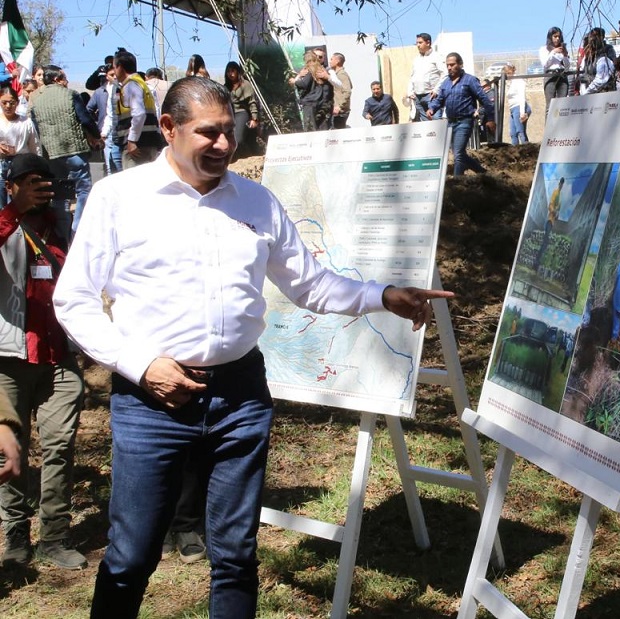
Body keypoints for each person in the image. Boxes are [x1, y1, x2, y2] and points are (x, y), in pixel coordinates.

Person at [52, 76, 453, 617]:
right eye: (208, 132)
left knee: (236, 555)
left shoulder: (257, 201)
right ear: (168, 128)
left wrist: (383, 296)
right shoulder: (119, 198)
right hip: (150, 403)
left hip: (240, 398)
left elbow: (310, 285)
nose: (224, 144)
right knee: (131, 556)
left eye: (229, 131)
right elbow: (74, 301)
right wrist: (141, 366)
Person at [0, 152, 86, 570]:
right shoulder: (5, 225)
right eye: (29, 181)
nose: (40, 188)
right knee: (10, 449)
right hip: (9, 358)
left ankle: (54, 535)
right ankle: (15, 534)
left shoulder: (61, 227)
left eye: (45, 181)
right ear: (10, 186)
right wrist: (13, 212)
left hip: (59, 356)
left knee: (59, 447)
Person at [31, 65, 101, 235]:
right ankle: (78, 227)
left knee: (59, 193)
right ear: (56, 79)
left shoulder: (36, 101)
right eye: (64, 78)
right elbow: (85, 119)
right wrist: (96, 136)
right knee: (83, 189)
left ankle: (62, 231)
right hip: (74, 150)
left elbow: (36, 128)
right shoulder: (70, 95)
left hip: (52, 153)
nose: (67, 81)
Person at [427, 53, 494, 176]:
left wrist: (490, 118)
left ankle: (457, 180)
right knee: (459, 153)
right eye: (447, 65)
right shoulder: (446, 83)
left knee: (458, 153)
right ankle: (482, 173)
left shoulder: (470, 80)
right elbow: (439, 99)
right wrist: (432, 108)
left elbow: (484, 99)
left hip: (465, 121)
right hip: (450, 123)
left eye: (452, 65)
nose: (449, 68)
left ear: (460, 64)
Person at [113, 50, 164, 166]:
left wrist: (132, 140)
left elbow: (139, 114)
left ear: (120, 67)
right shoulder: (141, 84)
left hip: (137, 146)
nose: (114, 73)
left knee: (134, 177)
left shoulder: (130, 85)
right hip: (148, 142)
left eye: (114, 68)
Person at [0, 85, 42, 199]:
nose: (8, 106)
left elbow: (35, 146)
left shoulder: (26, 122)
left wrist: (37, 167)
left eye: (12, 103)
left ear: (17, 103)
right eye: (4, 102)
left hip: (20, 167)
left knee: (17, 200)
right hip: (1, 165)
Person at [406, 33, 446, 122]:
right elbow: (412, 76)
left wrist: (436, 89)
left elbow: (445, 74)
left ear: (428, 43)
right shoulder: (416, 59)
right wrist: (410, 91)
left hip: (431, 96)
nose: (418, 45)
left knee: (436, 121)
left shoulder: (436, 57)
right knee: (425, 124)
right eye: (417, 43)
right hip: (418, 97)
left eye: (420, 43)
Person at [224, 61, 259, 159]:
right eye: (228, 71)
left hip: (241, 112)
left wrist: (254, 118)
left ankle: (245, 155)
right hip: (229, 115)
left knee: (237, 139)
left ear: (237, 72)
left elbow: (252, 102)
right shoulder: (225, 87)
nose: (230, 74)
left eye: (233, 71)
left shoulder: (245, 84)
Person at [292, 50, 333, 131]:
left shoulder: (310, 69)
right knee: (322, 127)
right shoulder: (321, 69)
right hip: (321, 103)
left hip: (310, 103)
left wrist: (295, 82)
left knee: (310, 128)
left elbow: (304, 84)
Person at [539, 27, 571, 117]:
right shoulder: (544, 49)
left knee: (562, 106)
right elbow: (545, 64)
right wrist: (553, 52)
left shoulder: (562, 49)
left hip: (562, 76)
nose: (557, 39)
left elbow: (567, 66)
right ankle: (549, 126)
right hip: (550, 75)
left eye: (559, 37)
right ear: (550, 37)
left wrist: (565, 55)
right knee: (550, 106)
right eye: (555, 36)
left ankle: (561, 125)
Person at [504, 63, 530, 145]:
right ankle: (515, 150)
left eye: (508, 73)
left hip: (519, 107)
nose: (507, 76)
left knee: (520, 131)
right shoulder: (511, 83)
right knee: (513, 133)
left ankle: (527, 149)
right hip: (513, 109)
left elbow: (522, 96)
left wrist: (522, 112)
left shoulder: (519, 81)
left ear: (512, 71)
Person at [328, 53, 353, 129]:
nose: (330, 61)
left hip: (340, 112)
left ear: (337, 61)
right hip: (337, 111)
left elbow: (347, 91)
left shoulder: (341, 74)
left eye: (332, 59)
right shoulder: (336, 74)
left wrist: (339, 106)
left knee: (338, 133)